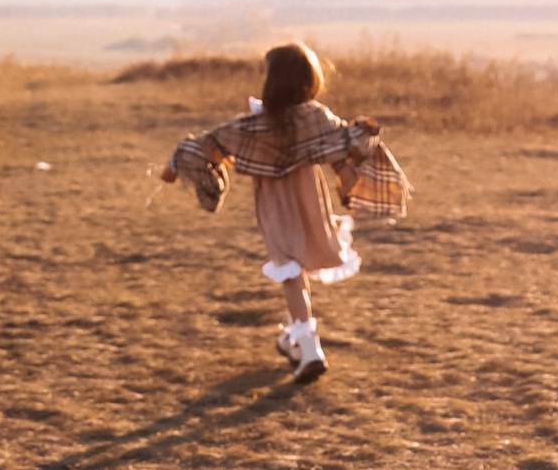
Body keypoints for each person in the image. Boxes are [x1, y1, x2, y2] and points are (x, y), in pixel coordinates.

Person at [162, 41, 408, 381]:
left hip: (275, 201)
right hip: (309, 195)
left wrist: (176, 165)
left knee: (289, 268)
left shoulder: (254, 124)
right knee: (297, 266)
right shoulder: (315, 116)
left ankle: (308, 346)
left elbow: (208, 145)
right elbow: (342, 142)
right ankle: (293, 338)